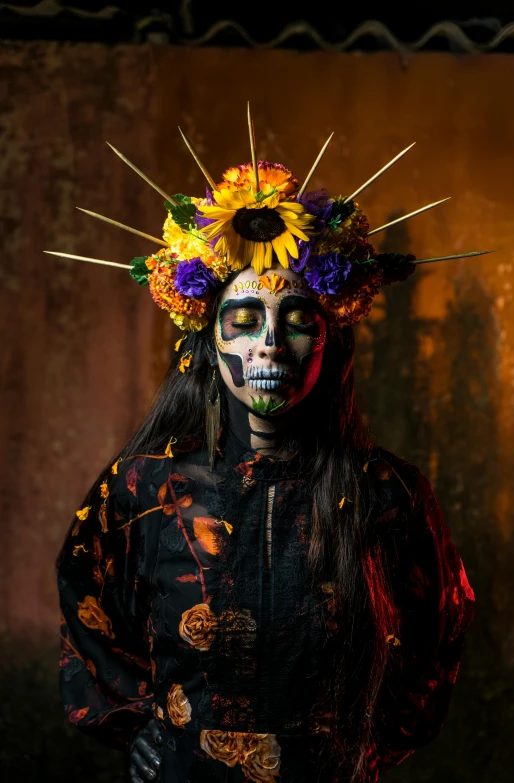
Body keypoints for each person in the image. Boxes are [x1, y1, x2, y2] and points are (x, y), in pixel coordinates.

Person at [54, 118, 478, 783]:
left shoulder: (386, 494)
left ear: (329, 342)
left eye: (298, 321)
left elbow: (440, 626)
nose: (270, 347)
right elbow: (87, 604)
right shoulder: (143, 487)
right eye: (245, 322)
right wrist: (136, 717)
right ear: (207, 342)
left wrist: (379, 737)